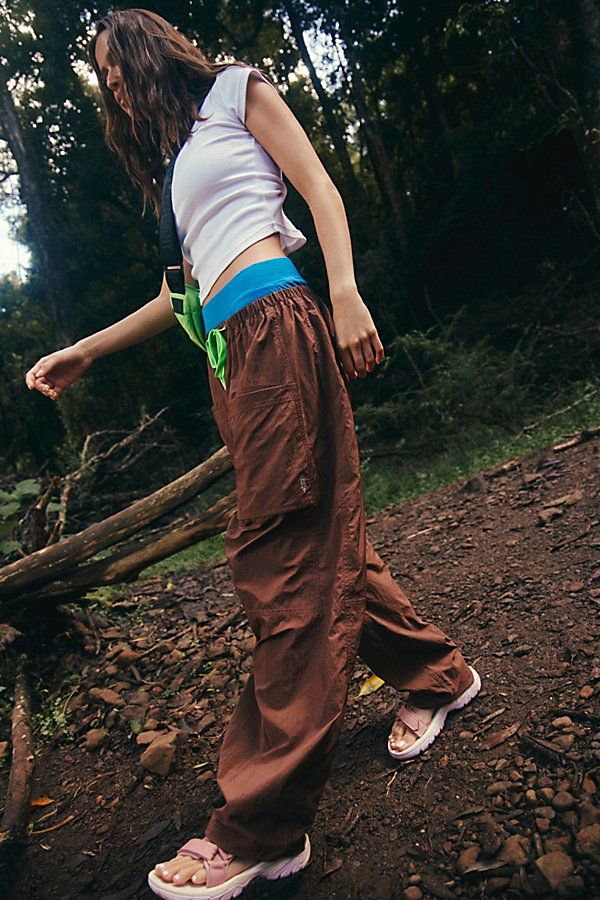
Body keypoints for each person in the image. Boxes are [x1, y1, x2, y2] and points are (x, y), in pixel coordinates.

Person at [25, 10, 480, 900]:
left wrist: (345, 293)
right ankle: (440, 675)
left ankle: (261, 829)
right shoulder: (176, 167)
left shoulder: (234, 89)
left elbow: (319, 188)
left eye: (113, 64)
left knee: (281, 561)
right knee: (320, 539)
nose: (110, 84)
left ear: (150, 49)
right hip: (233, 355)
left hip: (279, 324)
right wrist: (87, 349)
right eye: (100, 75)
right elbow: (186, 293)